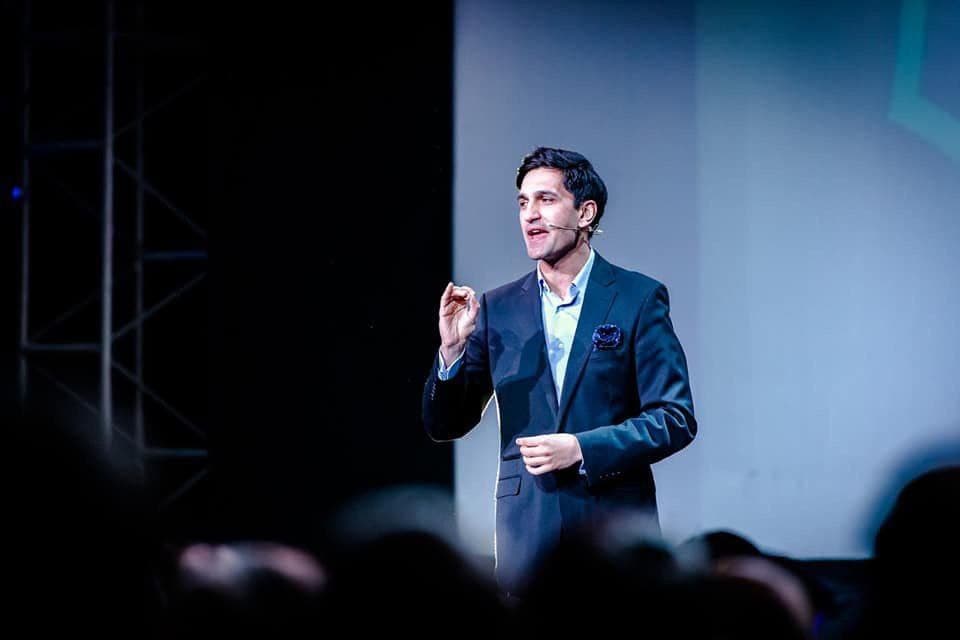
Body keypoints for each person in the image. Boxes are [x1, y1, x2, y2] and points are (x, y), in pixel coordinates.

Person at [422, 146, 697, 595]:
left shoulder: (637, 298)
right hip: (528, 531)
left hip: (614, 530)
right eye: (523, 202)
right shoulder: (498, 307)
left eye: (546, 199)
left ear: (585, 213)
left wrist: (582, 448)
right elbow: (446, 425)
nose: (530, 214)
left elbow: (674, 417)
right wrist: (451, 351)